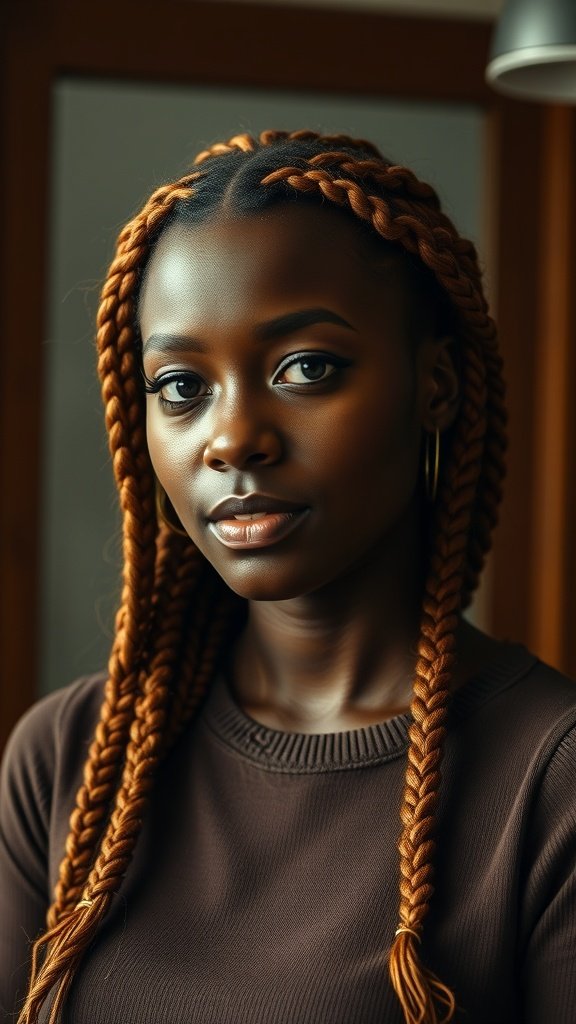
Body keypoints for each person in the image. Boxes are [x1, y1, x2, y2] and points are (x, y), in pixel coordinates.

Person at [1, 129, 575, 1024]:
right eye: (182, 387)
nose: (233, 440)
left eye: (306, 368)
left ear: (439, 387)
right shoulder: (68, 760)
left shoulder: (550, 779)